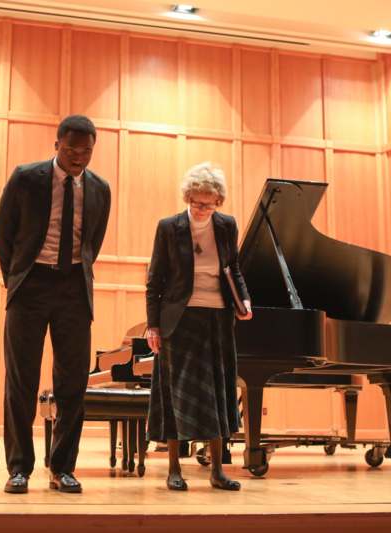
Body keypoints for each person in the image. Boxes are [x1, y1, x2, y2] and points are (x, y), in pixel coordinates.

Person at [0, 115, 111, 494]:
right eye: (72, 149)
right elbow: (3, 233)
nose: (79, 157)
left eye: (87, 151)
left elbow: (94, 241)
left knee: (73, 383)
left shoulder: (100, 189)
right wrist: (16, 280)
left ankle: (62, 468)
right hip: (31, 285)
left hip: (74, 289)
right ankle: (19, 469)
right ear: (57, 144)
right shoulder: (26, 178)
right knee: (21, 382)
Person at [144, 161, 253, 491]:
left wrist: (244, 300)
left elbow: (233, 268)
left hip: (218, 318)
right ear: (187, 198)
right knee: (176, 395)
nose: (202, 209)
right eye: (195, 202)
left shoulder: (226, 226)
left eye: (208, 203)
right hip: (179, 321)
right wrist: (153, 326)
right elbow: (155, 281)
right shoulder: (168, 227)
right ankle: (174, 469)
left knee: (218, 393)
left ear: (219, 201)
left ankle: (217, 471)